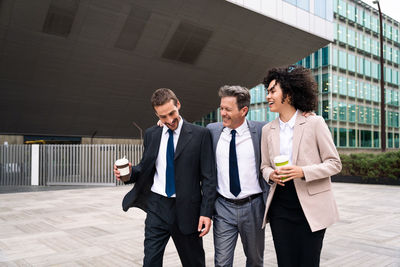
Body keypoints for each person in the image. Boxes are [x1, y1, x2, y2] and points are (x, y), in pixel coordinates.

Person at [114, 88, 216, 267]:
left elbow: (209, 178)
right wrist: (129, 173)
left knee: (194, 263)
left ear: (178, 105)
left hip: (187, 210)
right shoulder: (152, 134)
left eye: (172, 113)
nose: (169, 120)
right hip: (156, 207)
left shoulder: (200, 135)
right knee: (150, 262)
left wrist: (206, 213)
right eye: (163, 117)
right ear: (156, 114)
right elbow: (145, 168)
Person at [260, 65, 342, 267]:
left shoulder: (314, 123)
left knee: (308, 262)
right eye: (267, 92)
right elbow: (264, 166)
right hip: (280, 207)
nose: (268, 96)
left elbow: (334, 164)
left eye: (272, 91)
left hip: (310, 208)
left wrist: (302, 171)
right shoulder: (266, 130)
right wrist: (271, 175)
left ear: (287, 93)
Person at [207, 85, 269, 267]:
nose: (223, 113)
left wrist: (307, 113)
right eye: (221, 108)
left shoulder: (262, 131)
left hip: (254, 207)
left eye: (228, 109)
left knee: (255, 261)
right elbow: (188, 133)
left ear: (244, 110)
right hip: (223, 207)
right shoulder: (212, 131)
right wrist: (167, 123)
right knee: (222, 262)